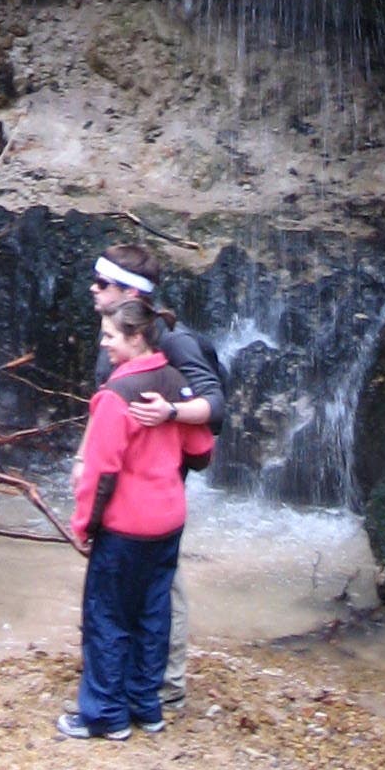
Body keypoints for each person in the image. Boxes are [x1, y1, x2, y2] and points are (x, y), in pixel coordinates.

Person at [88, 247, 225, 710]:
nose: (93, 288)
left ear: (130, 293)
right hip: (137, 482)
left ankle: (165, 683)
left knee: (163, 586)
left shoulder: (176, 344)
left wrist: (169, 412)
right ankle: (135, 678)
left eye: (102, 283)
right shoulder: (120, 338)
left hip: (160, 483)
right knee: (142, 586)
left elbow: (215, 408)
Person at [59, 297, 185, 738]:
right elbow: (202, 450)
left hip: (126, 526)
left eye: (110, 336)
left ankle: (105, 715)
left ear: (135, 337)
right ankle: (145, 707)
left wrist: (82, 527)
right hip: (168, 520)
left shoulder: (116, 396)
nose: (103, 343)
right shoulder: (174, 380)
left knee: (107, 616)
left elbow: (99, 472)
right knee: (153, 613)